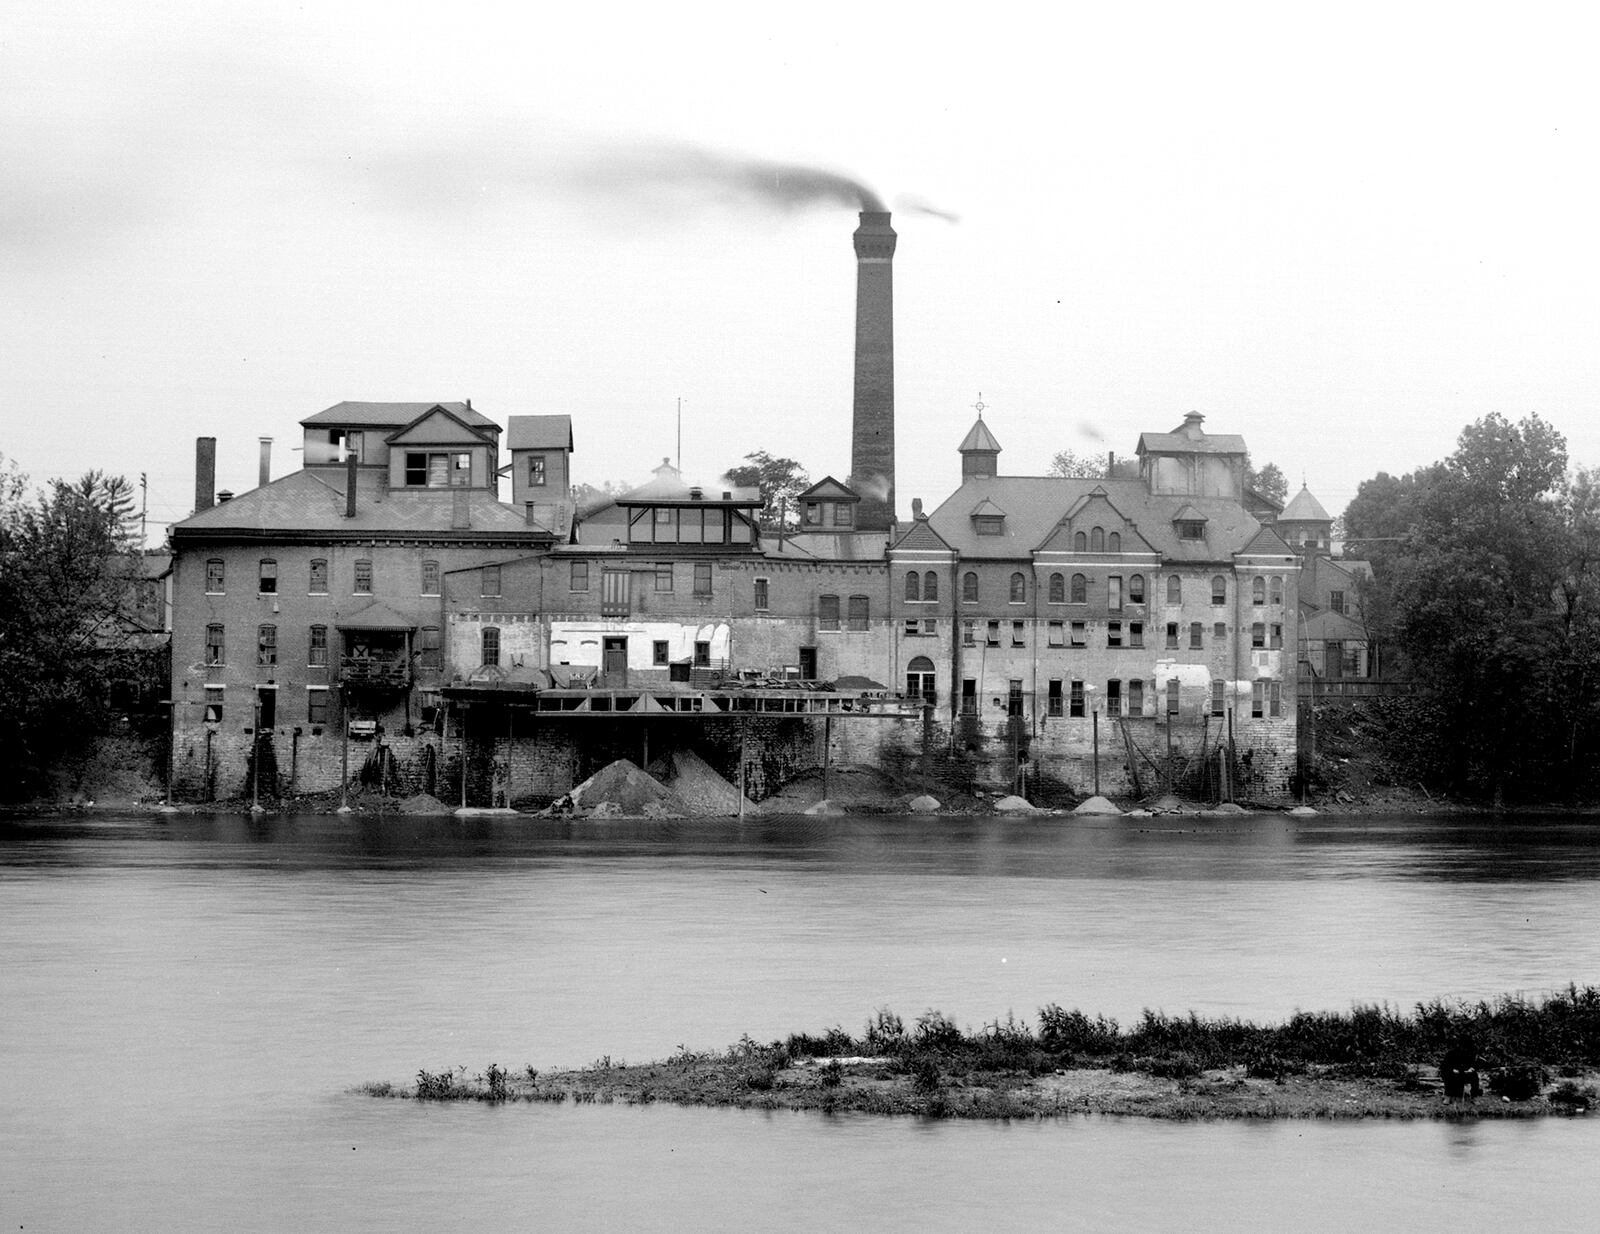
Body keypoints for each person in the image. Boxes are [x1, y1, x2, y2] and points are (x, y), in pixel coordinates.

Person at [1439, 1036, 1481, 1102]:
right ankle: (1448, 1096)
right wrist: (1452, 1070)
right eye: (1463, 1046)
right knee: (1448, 1075)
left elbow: (1475, 1065)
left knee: (1475, 1077)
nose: (1464, 1048)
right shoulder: (1451, 1053)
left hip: (1466, 1074)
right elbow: (1444, 1066)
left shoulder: (1471, 1053)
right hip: (1454, 1073)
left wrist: (1472, 1069)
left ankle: (1474, 1096)